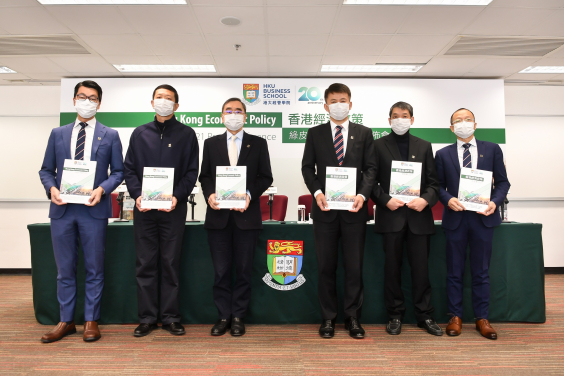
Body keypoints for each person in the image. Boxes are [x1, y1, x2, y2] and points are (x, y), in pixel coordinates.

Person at [39, 80, 124, 343]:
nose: (87, 101)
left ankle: (90, 321)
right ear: (74, 99)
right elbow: (46, 170)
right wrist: (51, 189)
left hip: (93, 209)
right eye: (82, 96)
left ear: (99, 103)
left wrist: (102, 189)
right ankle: (65, 321)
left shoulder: (110, 135)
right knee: (64, 270)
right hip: (63, 210)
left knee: (94, 269)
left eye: (92, 98)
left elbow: (118, 172)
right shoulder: (58, 133)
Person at [301, 83, 376, 339]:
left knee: (354, 267)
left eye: (343, 100)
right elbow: (307, 168)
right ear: (325, 106)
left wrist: (363, 195)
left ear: (350, 104)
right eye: (333, 101)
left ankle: (353, 317)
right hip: (325, 212)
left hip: (355, 211)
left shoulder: (365, 133)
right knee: (326, 267)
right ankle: (328, 318)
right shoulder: (315, 133)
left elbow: (371, 169)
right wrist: (317, 193)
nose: (338, 104)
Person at [124, 84, 199, 337]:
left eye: (169, 98)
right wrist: (136, 195)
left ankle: (169, 317)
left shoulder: (187, 134)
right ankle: (146, 318)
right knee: (145, 263)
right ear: (152, 102)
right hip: (144, 210)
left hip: (173, 210)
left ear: (176, 106)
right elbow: (129, 169)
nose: (164, 101)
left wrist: (177, 196)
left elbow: (191, 172)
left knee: (170, 263)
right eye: (160, 97)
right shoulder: (139, 133)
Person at [199, 97, 273, 337]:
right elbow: (205, 176)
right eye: (229, 111)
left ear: (245, 116)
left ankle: (238, 316)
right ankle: (223, 316)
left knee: (242, 270)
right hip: (218, 218)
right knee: (221, 271)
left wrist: (250, 194)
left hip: (246, 218)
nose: (234, 114)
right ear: (222, 116)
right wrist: (209, 194)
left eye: (238, 111)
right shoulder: (211, 144)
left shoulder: (258, 143)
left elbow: (266, 177)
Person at [435, 108, 510, 340]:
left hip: (483, 218)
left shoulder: (492, 149)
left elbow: (503, 183)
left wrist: (495, 202)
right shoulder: (442, 154)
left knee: (481, 272)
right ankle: (455, 317)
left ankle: (482, 318)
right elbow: (436, 186)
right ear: (451, 128)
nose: (463, 124)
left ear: (475, 124)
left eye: (467, 120)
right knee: (454, 271)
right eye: (458, 121)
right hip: (455, 219)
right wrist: (448, 199)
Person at [371, 102, 443, 336]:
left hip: (418, 218)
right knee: (392, 270)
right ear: (388, 120)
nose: (399, 120)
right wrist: (384, 200)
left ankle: (425, 315)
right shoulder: (377, 145)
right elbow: (370, 181)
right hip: (391, 216)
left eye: (404, 116)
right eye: (395, 116)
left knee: (421, 270)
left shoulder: (424, 146)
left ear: (412, 120)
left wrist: (426, 200)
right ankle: (394, 315)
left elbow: (433, 183)